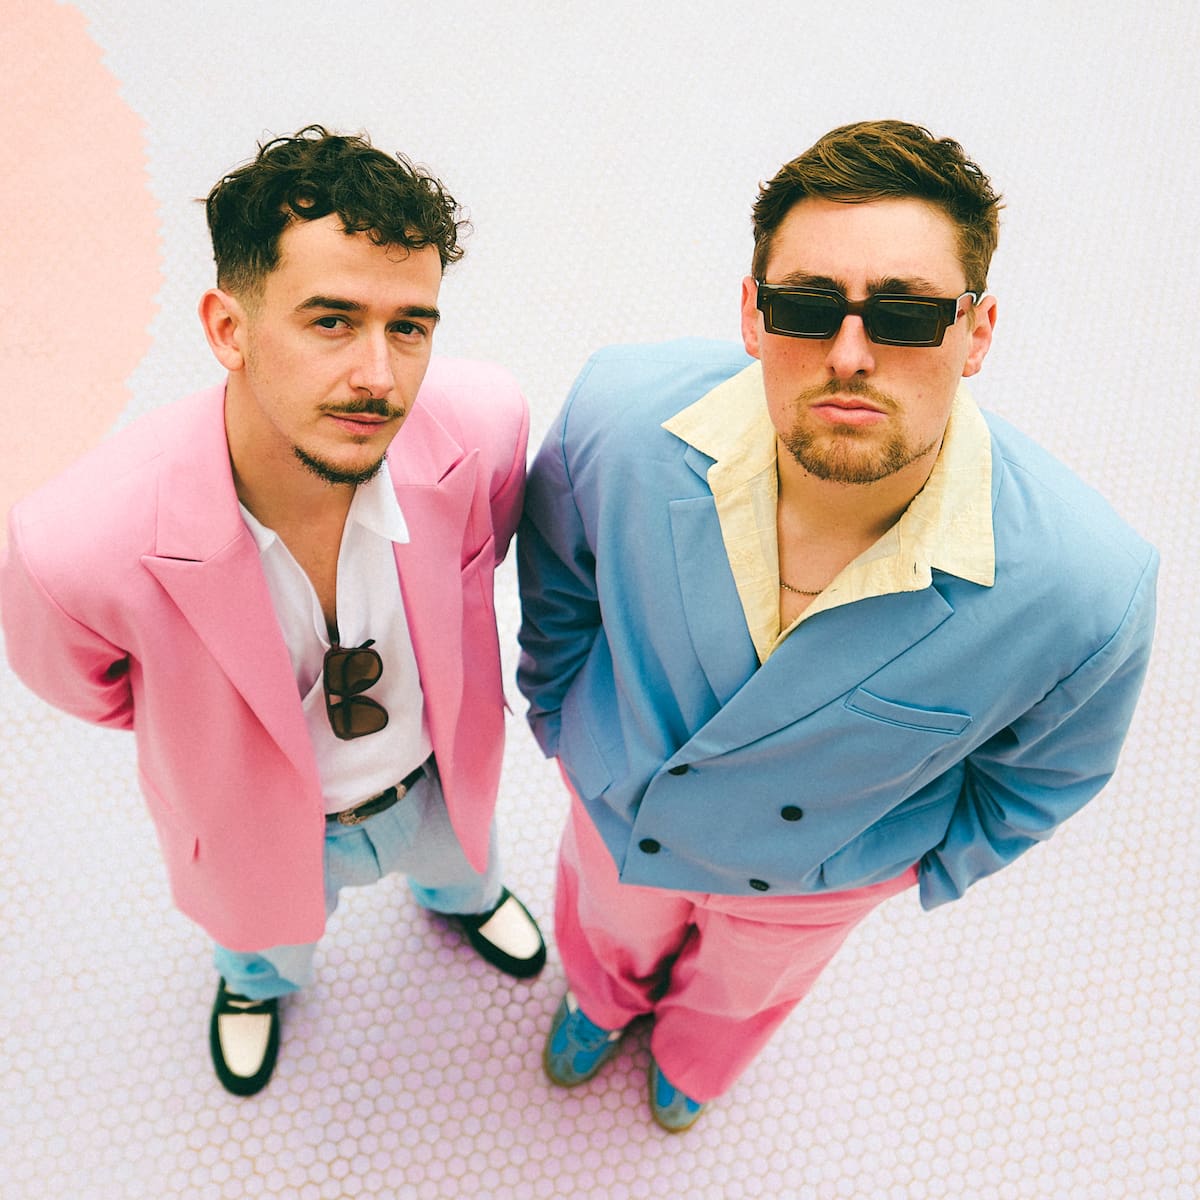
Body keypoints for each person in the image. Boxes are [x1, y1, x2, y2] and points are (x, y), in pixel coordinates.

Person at [516, 119, 1156, 1132]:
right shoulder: (620, 419)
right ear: (752, 313)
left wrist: (886, 866)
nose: (850, 355)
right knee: (603, 928)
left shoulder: (1087, 586)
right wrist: (568, 726)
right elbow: (560, 583)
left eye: (906, 315)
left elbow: (1044, 777)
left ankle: (693, 1063)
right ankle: (600, 1001)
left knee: (743, 996)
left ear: (977, 332)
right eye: (809, 307)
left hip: (807, 885)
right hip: (617, 803)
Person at [1, 126, 545, 1097]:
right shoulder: (69, 546)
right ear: (228, 329)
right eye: (331, 320)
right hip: (257, 828)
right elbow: (91, 688)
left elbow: (487, 546)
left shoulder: (484, 426)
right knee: (260, 939)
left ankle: (466, 896)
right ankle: (254, 984)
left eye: (410, 326)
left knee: (466, 859)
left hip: (434, 776)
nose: (379, 376)